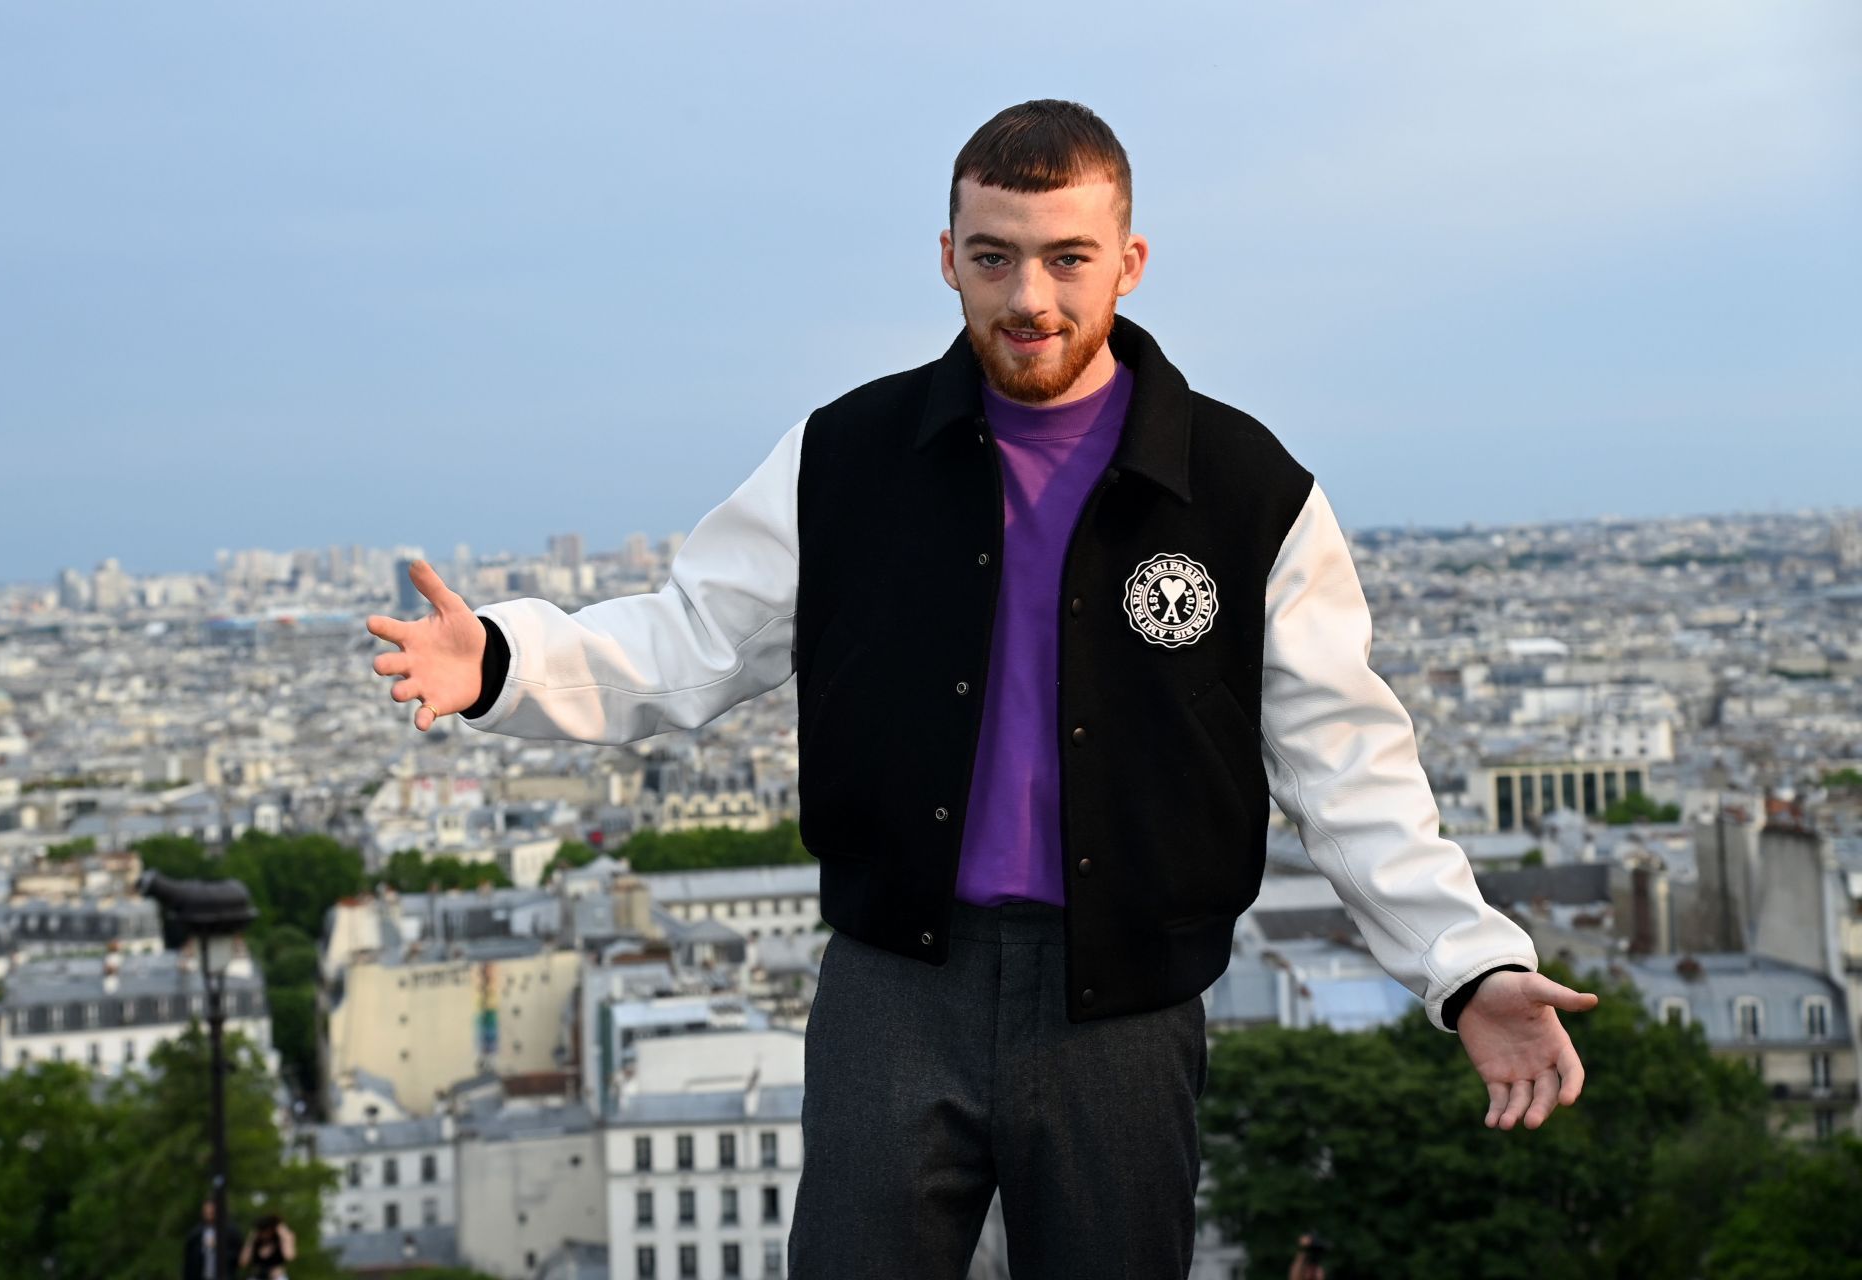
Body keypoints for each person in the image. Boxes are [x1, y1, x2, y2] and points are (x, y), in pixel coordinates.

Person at [366, 99, 1599, 1279]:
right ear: (946, 257)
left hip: (1124, 999)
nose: (1031, 297)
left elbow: (1347, 757)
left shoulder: (1244, 485)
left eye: (1068, 258)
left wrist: (1469, 965)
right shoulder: (845, 456)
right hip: (897, 979)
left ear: (1132, 260)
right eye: (996, 257)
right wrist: (504, 665)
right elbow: (694, 640)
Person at [181, 1197, 240, 1280]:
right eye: (206, 1211)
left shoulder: (230, 1232)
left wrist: (218, 1247)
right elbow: (188, 1261)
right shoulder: (196, 1233)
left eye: (212, 1212)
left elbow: (238, 1257)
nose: (209, 1213)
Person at [237, 1213, 295, 1280]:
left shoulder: (281, 1240)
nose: (264, 1234)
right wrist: (251, 1240)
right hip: (257, 1276)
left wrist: (284, 1234)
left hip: (277, 1277)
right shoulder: (255, 1242)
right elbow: (242, 1262)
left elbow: (289, 1256)